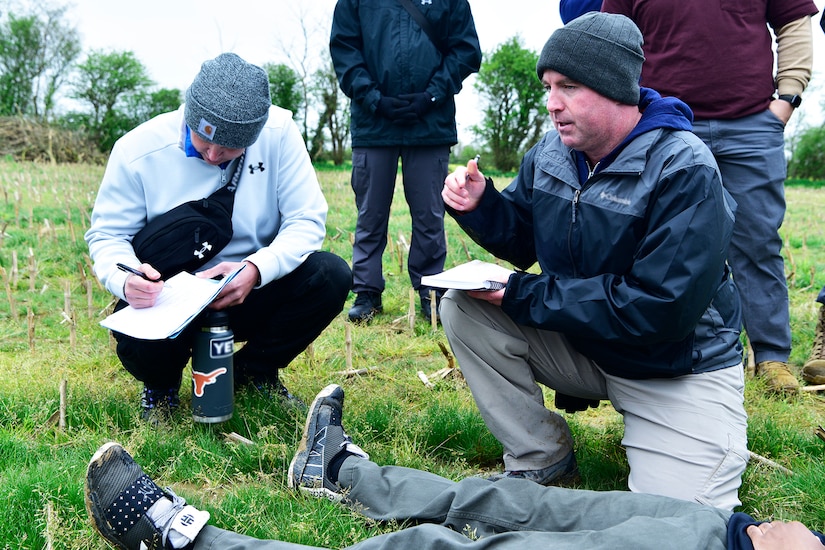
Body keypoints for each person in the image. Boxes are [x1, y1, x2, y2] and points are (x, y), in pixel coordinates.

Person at [439, 12, 748, 510]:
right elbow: (526, 237)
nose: (552, 104)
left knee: (681, 523)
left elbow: (660, 309)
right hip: (589, 346)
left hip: (674, 367)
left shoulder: (683, 167)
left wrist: (524, 294)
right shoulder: (551, 153)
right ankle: (540, 455)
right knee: (464, 307)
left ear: (614, 87)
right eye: (548, 86)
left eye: (569, 86)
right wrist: (483, 205)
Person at [84, 384, 825, 550]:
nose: (553, 102)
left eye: (569, 86)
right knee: (525, 505)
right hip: (732, 531)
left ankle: (200, 545)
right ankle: (341, 473)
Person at [85, 53, 352, 421]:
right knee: (133, 332)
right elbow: (107, 235)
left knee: (331, 275)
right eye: (202, 141)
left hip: (250, 290)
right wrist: (127, 279)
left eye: (227, 150)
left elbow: (306, 220)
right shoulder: (137, 150)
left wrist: (256, 269)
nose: (212, 155)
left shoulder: (280, 133)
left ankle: (253, 373)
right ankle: (161, 388)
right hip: (169, 299)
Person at [598, 0, 819, 394]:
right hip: (662, 126)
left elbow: (795, 23)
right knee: (657, 244)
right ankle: (659, 349)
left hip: (751, 126)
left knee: (758, 240)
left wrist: (786, 100)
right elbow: (608, 39)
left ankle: (770, 357)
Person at [329, 0, 482, 323]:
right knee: (369, 215)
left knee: (429, 214)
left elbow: (466, 50)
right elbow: (345, 51)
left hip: (431, 124)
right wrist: (374, 100)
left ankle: (430, 291)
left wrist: (431, 96)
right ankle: (367, 292)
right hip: (373, 125)